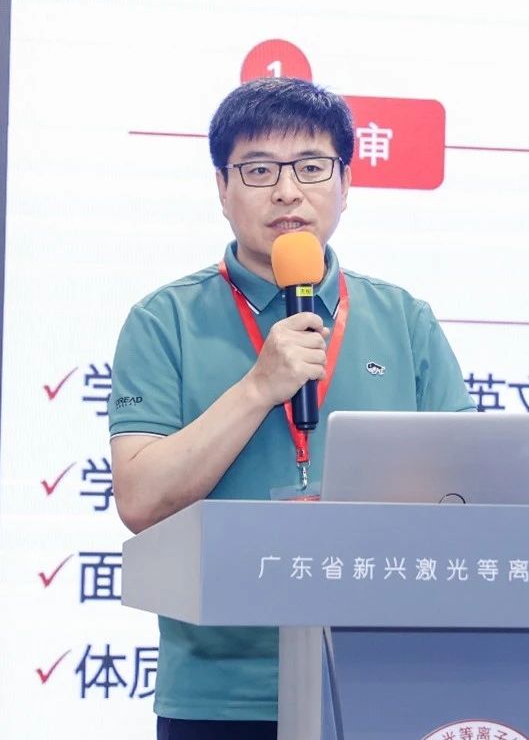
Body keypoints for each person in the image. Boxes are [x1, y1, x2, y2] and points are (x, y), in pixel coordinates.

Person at [109, 76, 474, 740]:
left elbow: (468, 495)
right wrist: (258, 387)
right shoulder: (164, 320)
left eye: (311, 166)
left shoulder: (404, 319)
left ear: (345, 182)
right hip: (220, 694)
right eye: (258, 170)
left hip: (382, 680)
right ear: (222, 188)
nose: (286, 191)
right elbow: (140, 499)